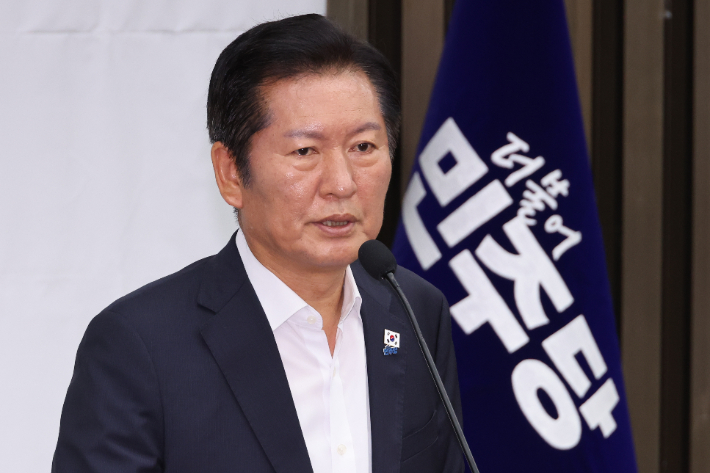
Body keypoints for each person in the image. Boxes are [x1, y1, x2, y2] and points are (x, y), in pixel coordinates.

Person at [52, 14, 464, 473]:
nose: (342, 183)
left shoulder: (416, 312)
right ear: (231, 173)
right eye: (305, 151)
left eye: (363, 147)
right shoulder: (140, 347)